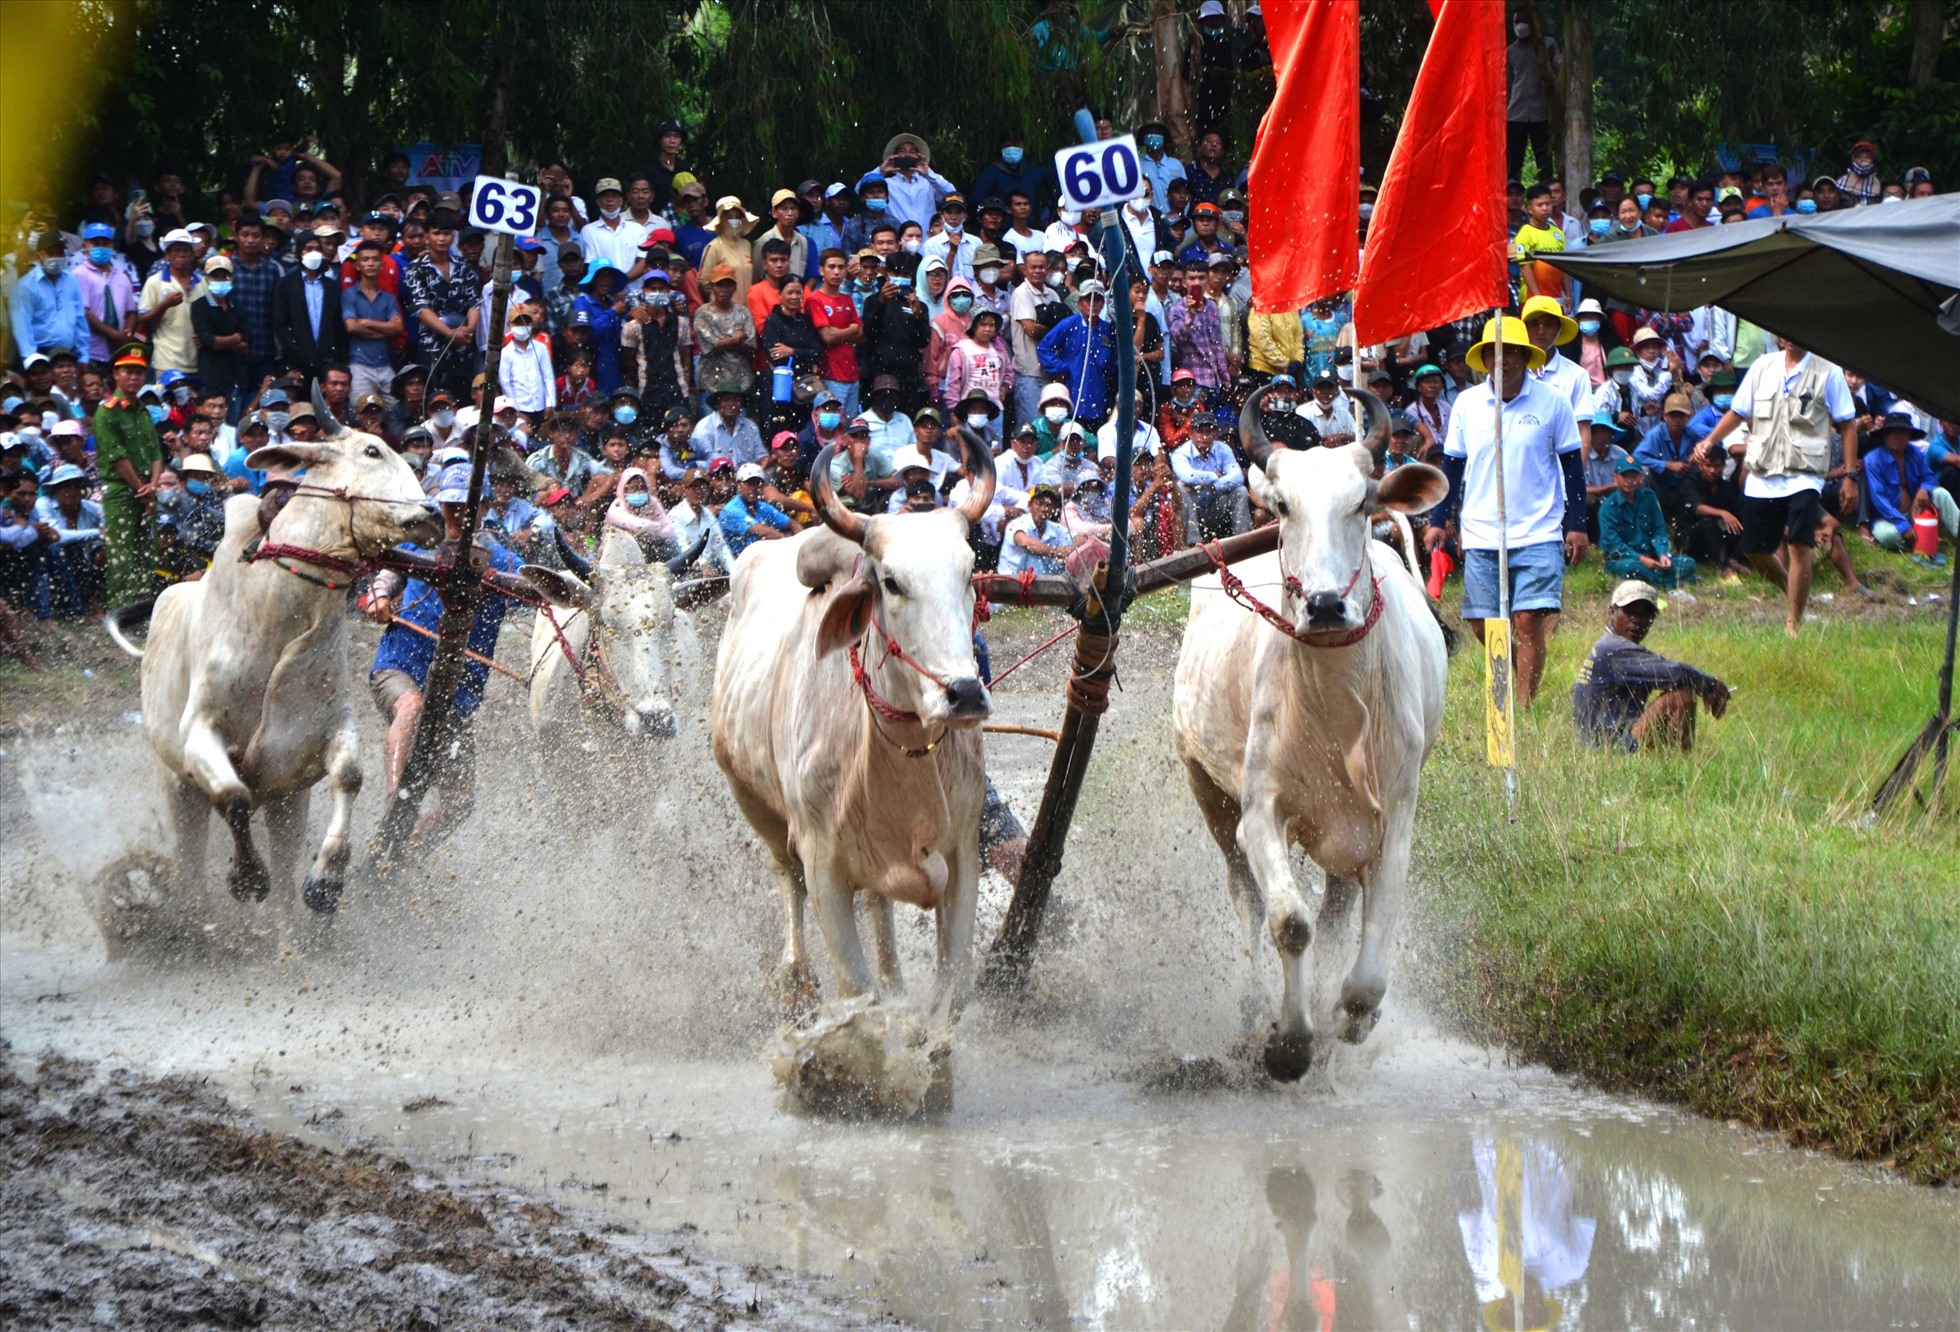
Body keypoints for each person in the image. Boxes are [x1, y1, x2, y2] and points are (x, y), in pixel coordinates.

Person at [1431, 316, 1587, 707]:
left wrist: (1578, 525)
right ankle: (1518, 665)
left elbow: (1572, 467)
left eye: (1511, 352)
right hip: (1482, 530)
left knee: (1527, 620)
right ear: (1483, 358)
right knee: (1483, 624)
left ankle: (1522, 705)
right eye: (1493, 352)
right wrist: (1437, 520)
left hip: (1538, 529)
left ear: (1524, 356)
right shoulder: (1467, 404)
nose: (1502, 360)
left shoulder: (1552, 402)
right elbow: (1451, 466)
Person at [364, 462, 522, 846]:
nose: (459, 515)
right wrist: (380, 596)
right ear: (440, 506)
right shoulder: (422, 544)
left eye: (468, 507)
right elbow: (387, 572)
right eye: (451, 506)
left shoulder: (500, 559)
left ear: (484, 508)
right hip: (401, 665)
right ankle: (395, 809)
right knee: (411, 706)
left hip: (456, 690)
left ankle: (403, 852)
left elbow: (531, 587)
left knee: (460, 804)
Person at [1693, 337, 1857, 637]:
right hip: (1763, 472)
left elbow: (1847, 423)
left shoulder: (1828, 371)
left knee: (1798, 544)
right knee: (1754, 549)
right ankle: (1794, 592)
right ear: (1779, 337)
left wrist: (1849, 475)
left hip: (1804, 472)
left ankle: (1793, 624)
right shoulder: (1762, 367)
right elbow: (1737, 412)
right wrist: (1710, 440)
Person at [1572, 580, 1730, 753]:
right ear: (1611, 612)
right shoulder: (1613, 648)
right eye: (1630, 612)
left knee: (1682, 688)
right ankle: (1681, 762)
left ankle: (1674, 757)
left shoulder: (1611, 645)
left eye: (1646, 614)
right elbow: (1675, 673)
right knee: (1681, 696)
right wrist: (1710, 685)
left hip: (1604, 743)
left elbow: (1670, 673)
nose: (1638, 620)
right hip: (1606, 748)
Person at [94, 346, 167, 608]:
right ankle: (119, 611)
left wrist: (154, 485)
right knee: (122, 554)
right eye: (128, 372)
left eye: (139, 372)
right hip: (122, 493)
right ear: (116, 374)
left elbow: (156, 453)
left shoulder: (144, 411)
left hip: (148, 490)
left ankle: (141, 609)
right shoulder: (107, 412)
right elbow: (118, 458)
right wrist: (142, 488)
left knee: (146, 552)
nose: (134, 378)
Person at [1863, 412, 1957, 556]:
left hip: (1916, 509)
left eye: (1902, 432)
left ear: (1909, 436)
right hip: (1887, 516)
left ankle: (1956, 532)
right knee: (1888, 536)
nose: (1897, 436)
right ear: (1885, 435)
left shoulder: (1914, 453)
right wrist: (1902, 525)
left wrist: (1924, 489)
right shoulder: (1872, 460)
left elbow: (1929, 477)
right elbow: (1879, 500)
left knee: (1941, 494)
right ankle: (1922, 541)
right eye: (1892, 432)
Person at [1598, 458, 1695, 587]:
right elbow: (1613, 544)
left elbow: (1659, 531)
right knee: (1629, 568)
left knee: (1688, 563)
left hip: (1652, 556)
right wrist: (1641, 559)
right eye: (1625, 476)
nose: (1629, 481)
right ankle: (1670, 583)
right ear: (1615, 477)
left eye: (1634, 476)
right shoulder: (1608, 507)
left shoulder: (1649, 497)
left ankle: (1655, 580)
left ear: (1641, 478)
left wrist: (1662, 554)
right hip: (1627, 559)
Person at [1170, 412, 1249, 542]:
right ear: (1191, 433)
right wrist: (1213, 476)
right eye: (1199, 431)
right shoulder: (1180, 453)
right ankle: (1194, 542)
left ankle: (1243, 540)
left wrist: (1214, 485)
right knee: (1180, 488)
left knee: (1241, 491)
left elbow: (1238, 476)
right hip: (1193, 510)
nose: (1204, 436)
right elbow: (1188, 476)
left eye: (1208, 432)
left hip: (1217, 505)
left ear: (1215, 434)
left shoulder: (1223, 449)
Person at [997, 483, 1073, 576]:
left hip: (1039, 579)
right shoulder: (1017, 523)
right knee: (1034, 555)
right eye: (1039, 503)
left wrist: (1069, 550)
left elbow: (1080, 538)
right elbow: (1026, 543)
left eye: (1048, 505)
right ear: (1030, 505)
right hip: (1011, 580)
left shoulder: (1055, 528)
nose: (1044, 509)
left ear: (1053, 509)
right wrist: (1056, 552)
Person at [718, 461, 794, 554]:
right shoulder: (731, 510)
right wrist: (790, 544)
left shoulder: (762, 506)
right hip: (735, 564)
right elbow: (763, 531)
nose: (754, 488)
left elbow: (791, 523)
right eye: (750, 483)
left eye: (758, 483)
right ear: (738, 484)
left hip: (755, 560)